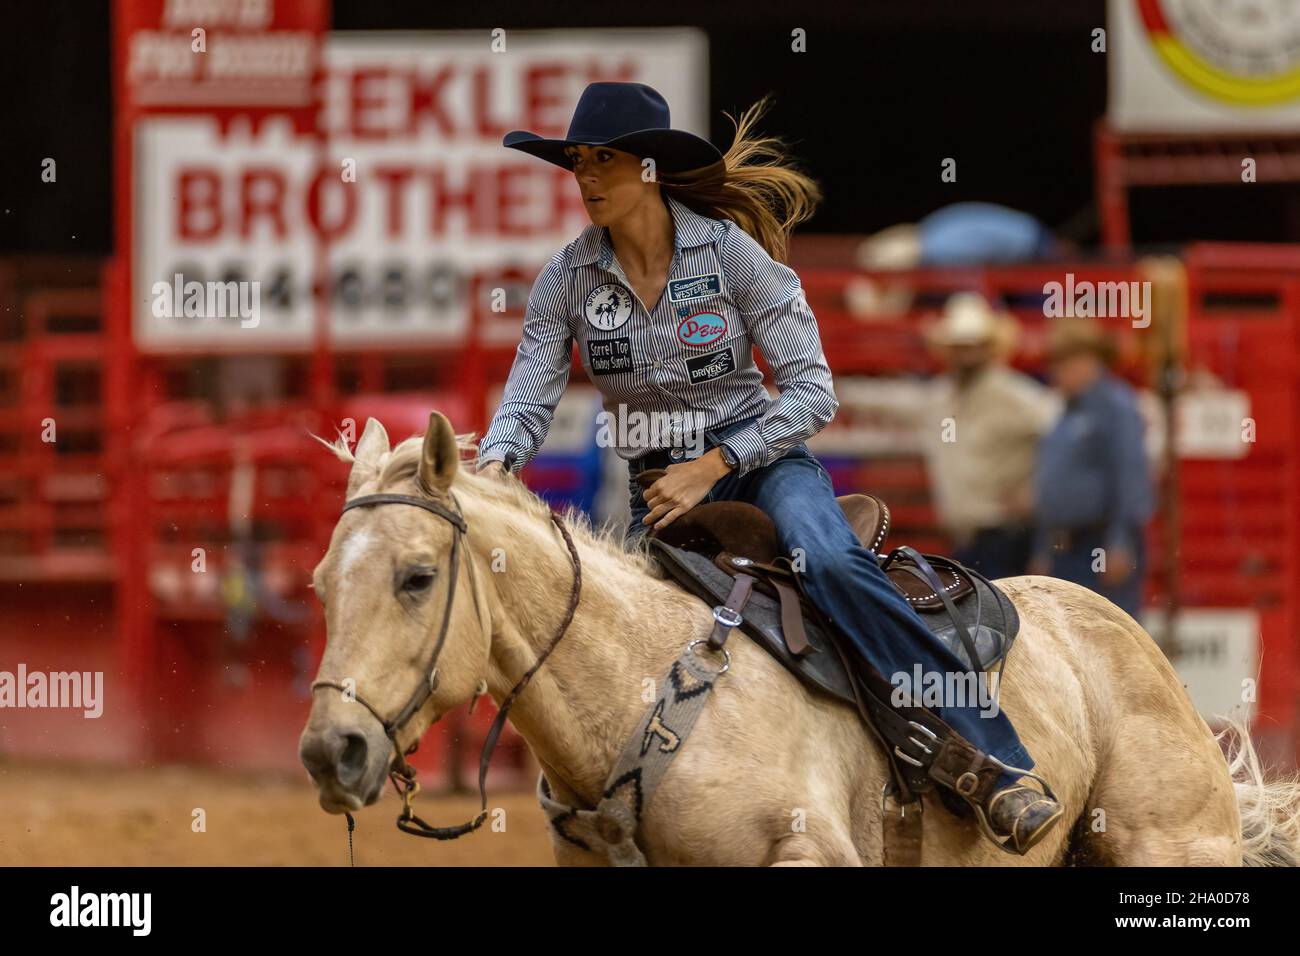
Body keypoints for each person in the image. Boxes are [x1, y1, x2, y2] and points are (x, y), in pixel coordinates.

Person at [475, 81, 1062, 853]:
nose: (586, 178)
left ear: (649, 169)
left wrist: (714, 462)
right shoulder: (567, 281)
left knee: (833, 564)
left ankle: (997, 765)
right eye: (577, 163)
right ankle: (609, 819)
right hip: (653, 490)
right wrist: (489, 470)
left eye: (604, 161)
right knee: (594, 625)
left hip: (762, 461)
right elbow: (526, 399)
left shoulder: (729, 254)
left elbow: (814, 390)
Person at [921, 293, 1059, 579]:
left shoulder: (1013, 394)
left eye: (973, 346)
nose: (966, 355)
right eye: (959, 347)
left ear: (989, 348)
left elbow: (1066, 436)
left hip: (1004, 535)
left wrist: (1038, 490)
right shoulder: (940, 396)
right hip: (962, 536)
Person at [1031, 318, 1153, 617]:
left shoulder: (1116, 407)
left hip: (1098, 543)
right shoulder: (1065, 412)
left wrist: (1120, 542)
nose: (1057, 373)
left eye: (1063, 363)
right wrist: (1044, 549)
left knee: (1110, 635)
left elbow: (1131, 476)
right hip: (1067, 549)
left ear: (1089, 360)